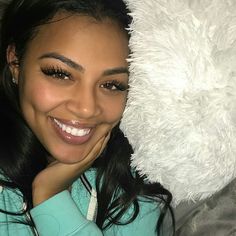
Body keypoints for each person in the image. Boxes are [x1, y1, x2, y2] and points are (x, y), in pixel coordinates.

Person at [0, 0, 174, 235]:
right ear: (15, 63)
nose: (86, 108)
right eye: (60, 74)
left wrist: (51, 198)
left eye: (112, 85)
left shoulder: (136, 191)